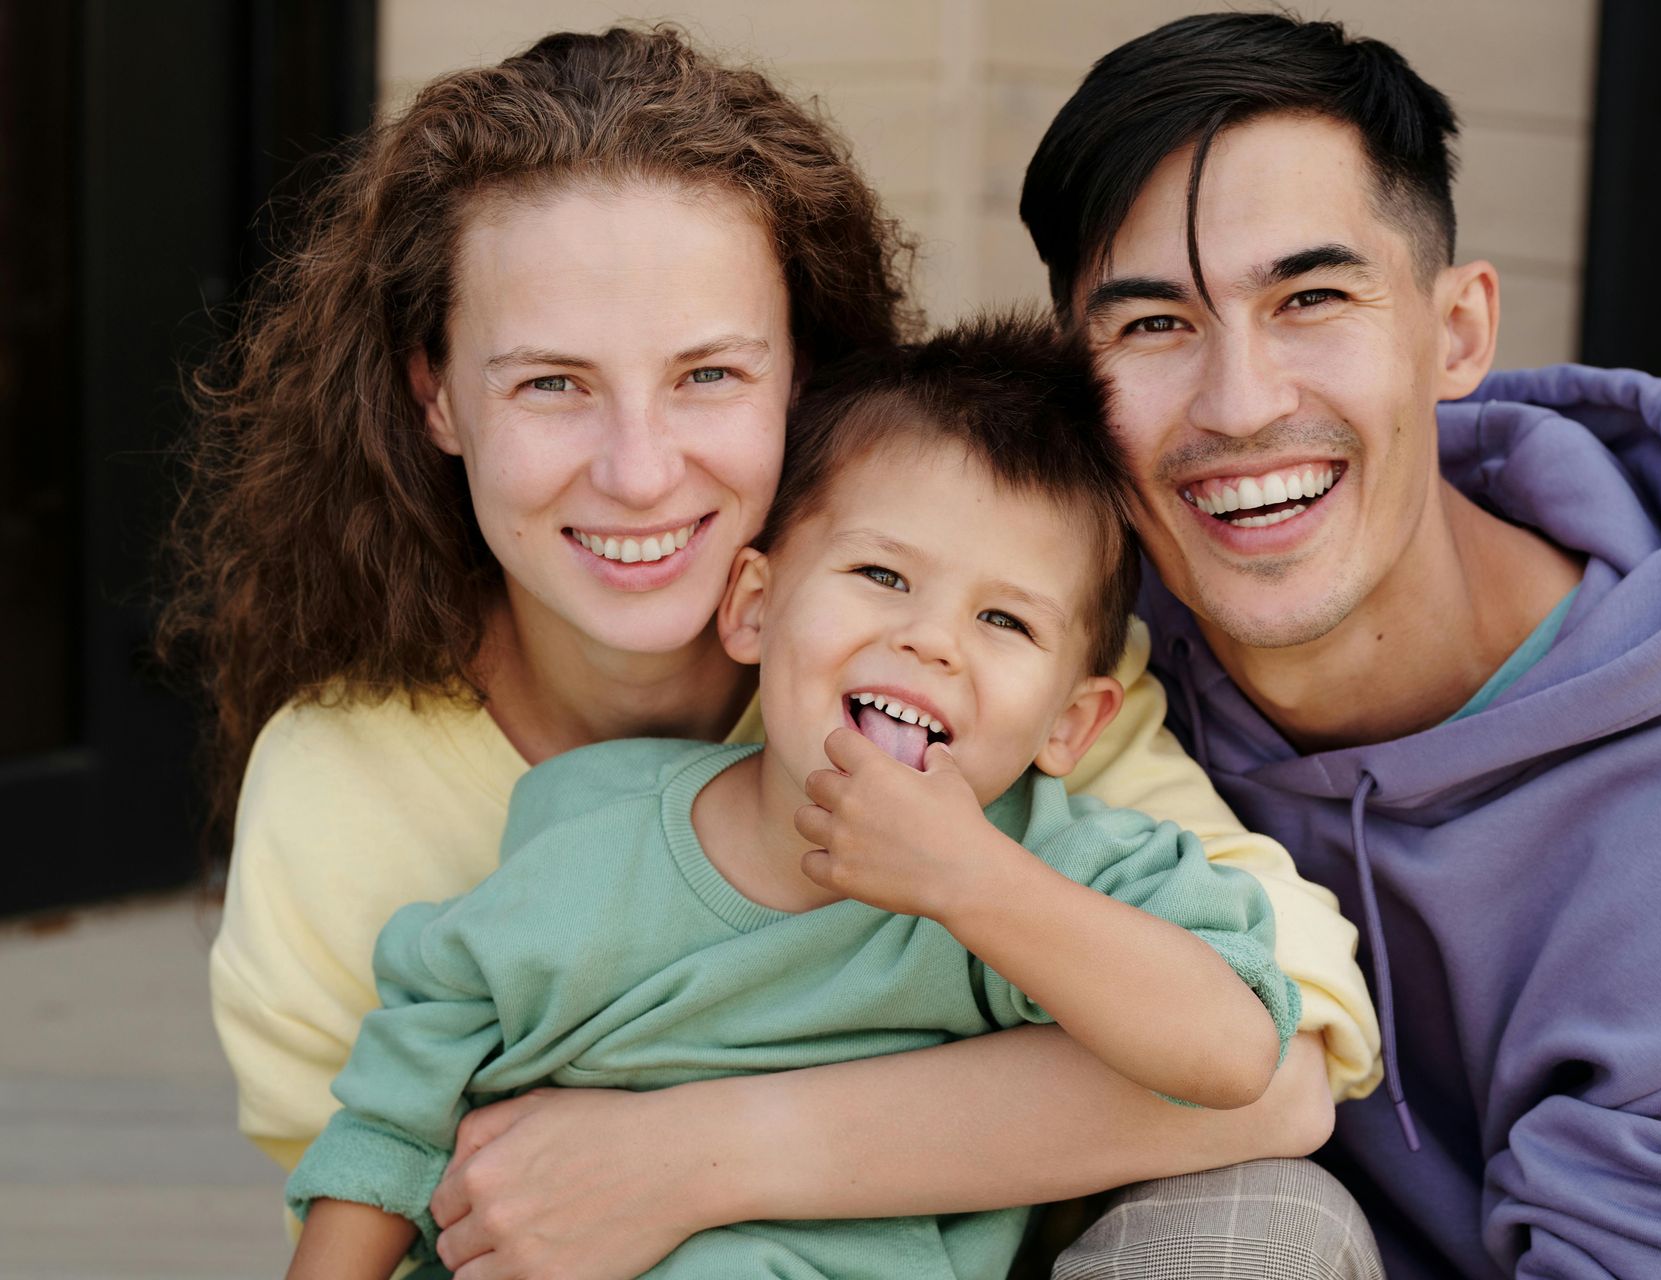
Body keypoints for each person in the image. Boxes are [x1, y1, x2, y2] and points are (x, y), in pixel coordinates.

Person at [162, 25, 1384, 1279]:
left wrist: (704, 1153)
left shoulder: (980, 698)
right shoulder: (344, 789)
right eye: (550, 385)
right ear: (436, 396)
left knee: (1272, 1224)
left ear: (798, 377)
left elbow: (1275, 1076)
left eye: (707, 373)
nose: (638, 472)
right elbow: (390, 1177)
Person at [1016, 10, 1661, 1278]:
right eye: (1154, 325)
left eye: (1312, 297)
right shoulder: (1071, 646)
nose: (1240, 403)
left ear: (1457, 334)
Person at [281, 315, 1303, 1280]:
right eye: (881, 574)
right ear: (755, 606)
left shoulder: (1051, 874)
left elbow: (1234, 1046)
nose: (930, 639)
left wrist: (975, 880)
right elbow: (394, 1116)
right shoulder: (588, 837)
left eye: (1004, 619)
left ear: (1070, 726)